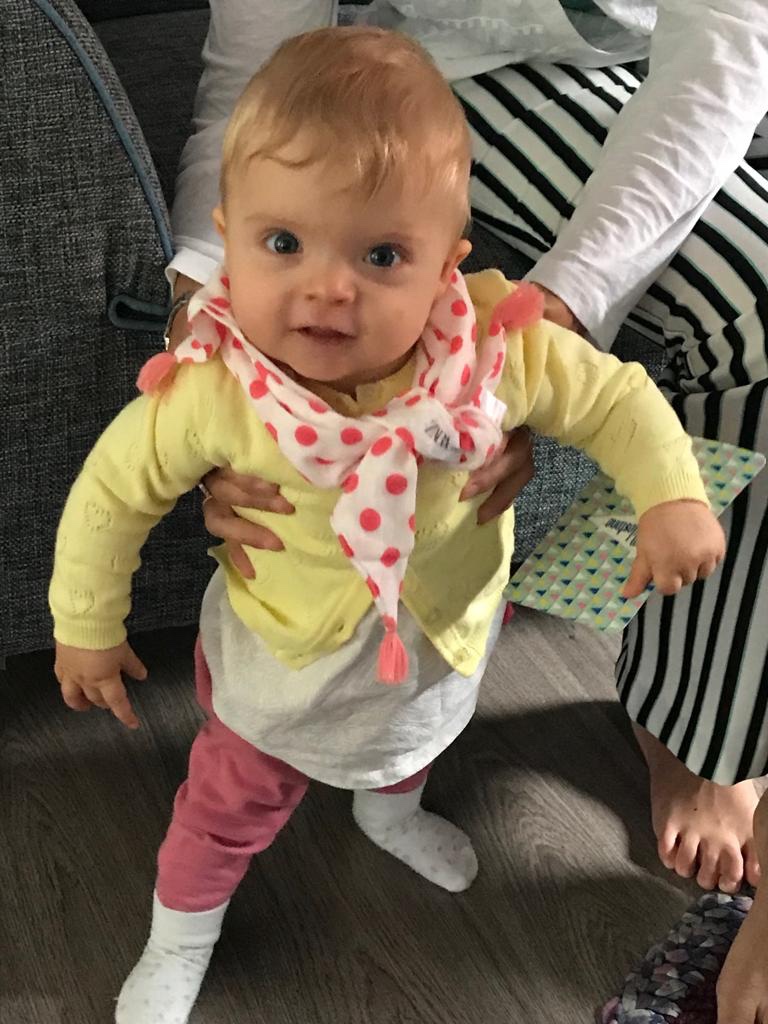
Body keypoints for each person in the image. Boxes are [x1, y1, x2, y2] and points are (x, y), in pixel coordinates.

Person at [50, 26, 725, 1024]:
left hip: (437, 637)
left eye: (381, 255)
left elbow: (615, 399)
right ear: (228, 239)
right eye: (283, 244)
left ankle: (389, 810)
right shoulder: (213, 389)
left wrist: (671, 494)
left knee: (416, 741)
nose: (330, 287)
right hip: (287, 663)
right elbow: (113, 495)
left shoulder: (493, 349)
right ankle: (180, 933)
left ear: (447, 266)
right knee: (226, 811)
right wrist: (86, 626)